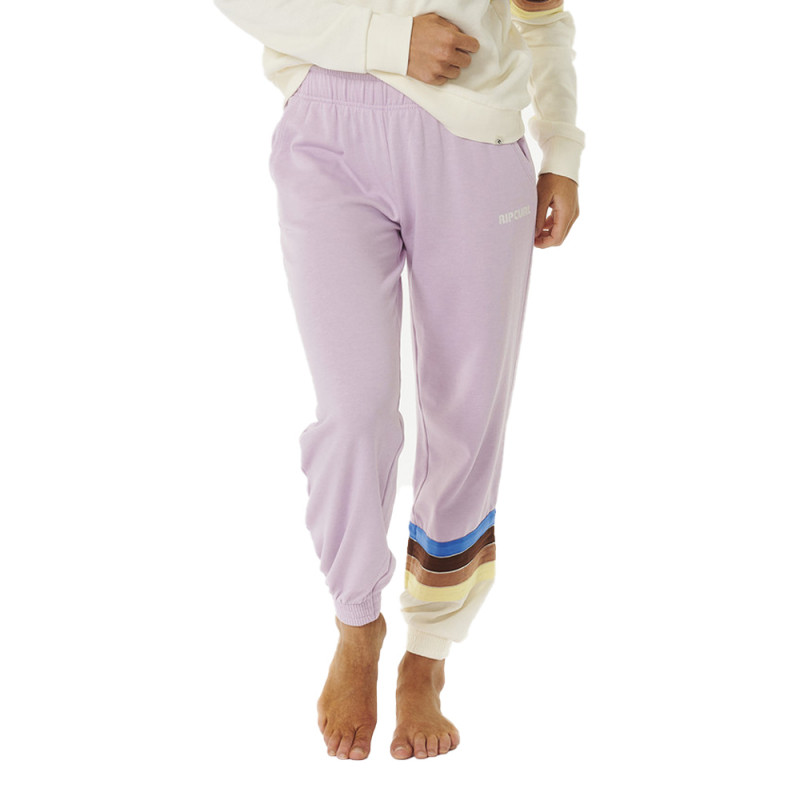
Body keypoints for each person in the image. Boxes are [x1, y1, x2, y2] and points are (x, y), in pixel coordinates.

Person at [213, 0, 585, 760]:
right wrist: (384, 40)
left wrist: (563, 148)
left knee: (466, 418)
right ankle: (358, 622)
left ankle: (428, 652)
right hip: (328, 132)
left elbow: (543, 16)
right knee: (353, 413)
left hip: (474, 141)